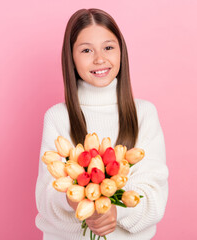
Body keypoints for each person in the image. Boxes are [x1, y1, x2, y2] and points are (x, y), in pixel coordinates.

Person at [35, 8, 169, 240]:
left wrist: (114, 211)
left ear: (121, 52)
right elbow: (46, 200)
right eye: (86, 50)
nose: (99, 59)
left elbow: (154, 194)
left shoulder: (143, 114)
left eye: (108, 47)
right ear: (71, 58)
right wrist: (75, 198)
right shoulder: (58, 117)